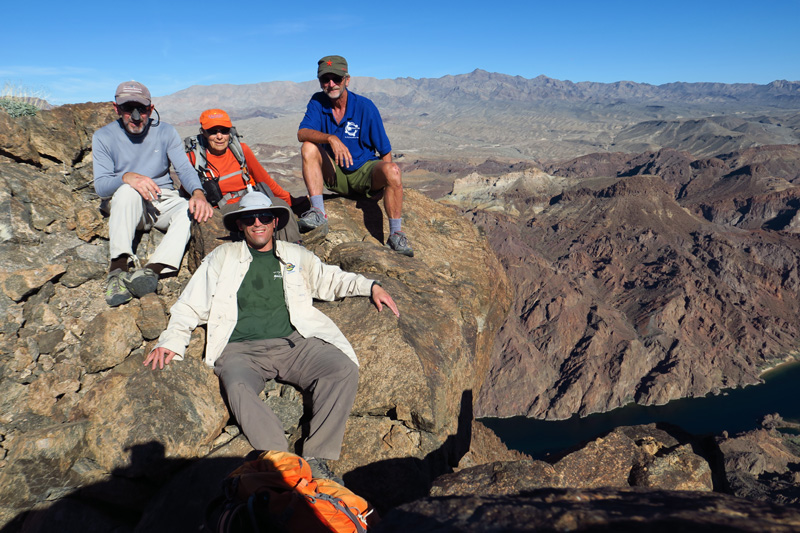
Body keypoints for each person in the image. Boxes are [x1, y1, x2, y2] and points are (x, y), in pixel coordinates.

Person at [144, 191, 399, 478]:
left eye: (264, 217)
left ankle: (316, 458)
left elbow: (330, 279)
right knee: (237, 386)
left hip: (293, 344)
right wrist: (171, 341)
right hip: (240, 349)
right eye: (249, 218)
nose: (257, 223)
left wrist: (371, 286)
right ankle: (282, 460)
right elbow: (190, 304)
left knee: (341, 369)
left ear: (275, 221)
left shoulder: (295, 256)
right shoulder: (222, 257)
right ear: (239, 225)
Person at [93, 81, 213, 307]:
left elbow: (184, 168)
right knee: (128, 191)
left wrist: (198, 193)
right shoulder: (104, 136)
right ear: (116, 108)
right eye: (128, 109)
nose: (136, 116)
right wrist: (126, 177)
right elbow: (100, 186)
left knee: (192, 211)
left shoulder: (165, 131)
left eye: (143, 109)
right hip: (127, 205)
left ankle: (151, 272)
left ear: (151, 108)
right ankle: (117, 270)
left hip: (162, 199)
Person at [297, 55, 413, 257]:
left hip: (364, 173)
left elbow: (385, 151)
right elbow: (302, 133)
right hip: (336, 175)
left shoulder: (365, 107)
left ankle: (396, 234)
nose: (331, 84)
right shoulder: (317, 102)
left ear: (347, 80)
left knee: (393, 171)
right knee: (308, 147)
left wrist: (385, 184)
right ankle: (318, 213)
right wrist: (331, 138)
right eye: (326, 79)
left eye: (336, 79)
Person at [185, 108, 302, 242]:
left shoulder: (241, 150)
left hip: (252, 198)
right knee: (251, 214)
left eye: (224, 131)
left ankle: (294, 248)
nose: (219, 136)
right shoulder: (194, 159)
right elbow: (188, 190)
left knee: (280, 206)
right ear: (203, 133)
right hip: (225, 209)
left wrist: (292, 201)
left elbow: (265, 180)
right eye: (213, 131)